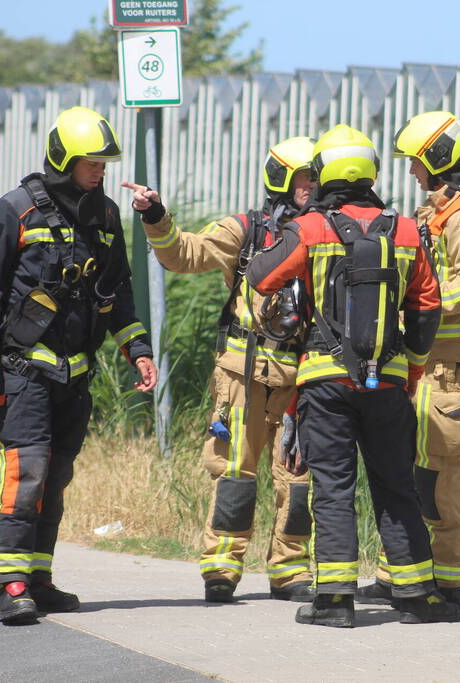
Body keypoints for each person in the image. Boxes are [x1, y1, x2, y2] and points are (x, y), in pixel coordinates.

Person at [246, 124, 459, 627]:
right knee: (395, 486)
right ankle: (415, 596)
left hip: (325, 382)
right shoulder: (406, 230)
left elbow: (260, 277)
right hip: (388, 383)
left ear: (324, 173)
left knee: (334, 489)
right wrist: (412, 368)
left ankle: (335, 601)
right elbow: (428, 308)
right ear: (370, 173)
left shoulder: (314, 227)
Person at [0, 106, 157, 624]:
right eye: (91, 162)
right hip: (23, 371)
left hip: (75, 376)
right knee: (26, 476)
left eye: (102, 162)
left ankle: (40, 578)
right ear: (63, 159)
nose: (99, 170)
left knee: (56, 477)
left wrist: (137, 349)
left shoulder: (108, 215)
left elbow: (117, 291)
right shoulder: (16, 209)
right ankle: (11, 582)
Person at [124, 137, 317, 604]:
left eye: (316, 178)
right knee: (234, 471)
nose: (312, 187)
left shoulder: (327, 232)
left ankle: (289, 570)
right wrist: (155, 215)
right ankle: (222, 567)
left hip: (301, 376)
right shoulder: (245, 229)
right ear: (282, 180)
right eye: (305, 178)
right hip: (242, 373)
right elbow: (182, 254)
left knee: (297, 478)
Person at [358, 111, 460, 610]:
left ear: (439, 159)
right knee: (405, 468)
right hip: (427, 364)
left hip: (452, 369)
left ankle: (446, 586)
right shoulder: (437, 211)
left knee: (437, 475)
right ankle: (396, 574)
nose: (413, 174)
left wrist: (422, 306)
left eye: (417, 164)